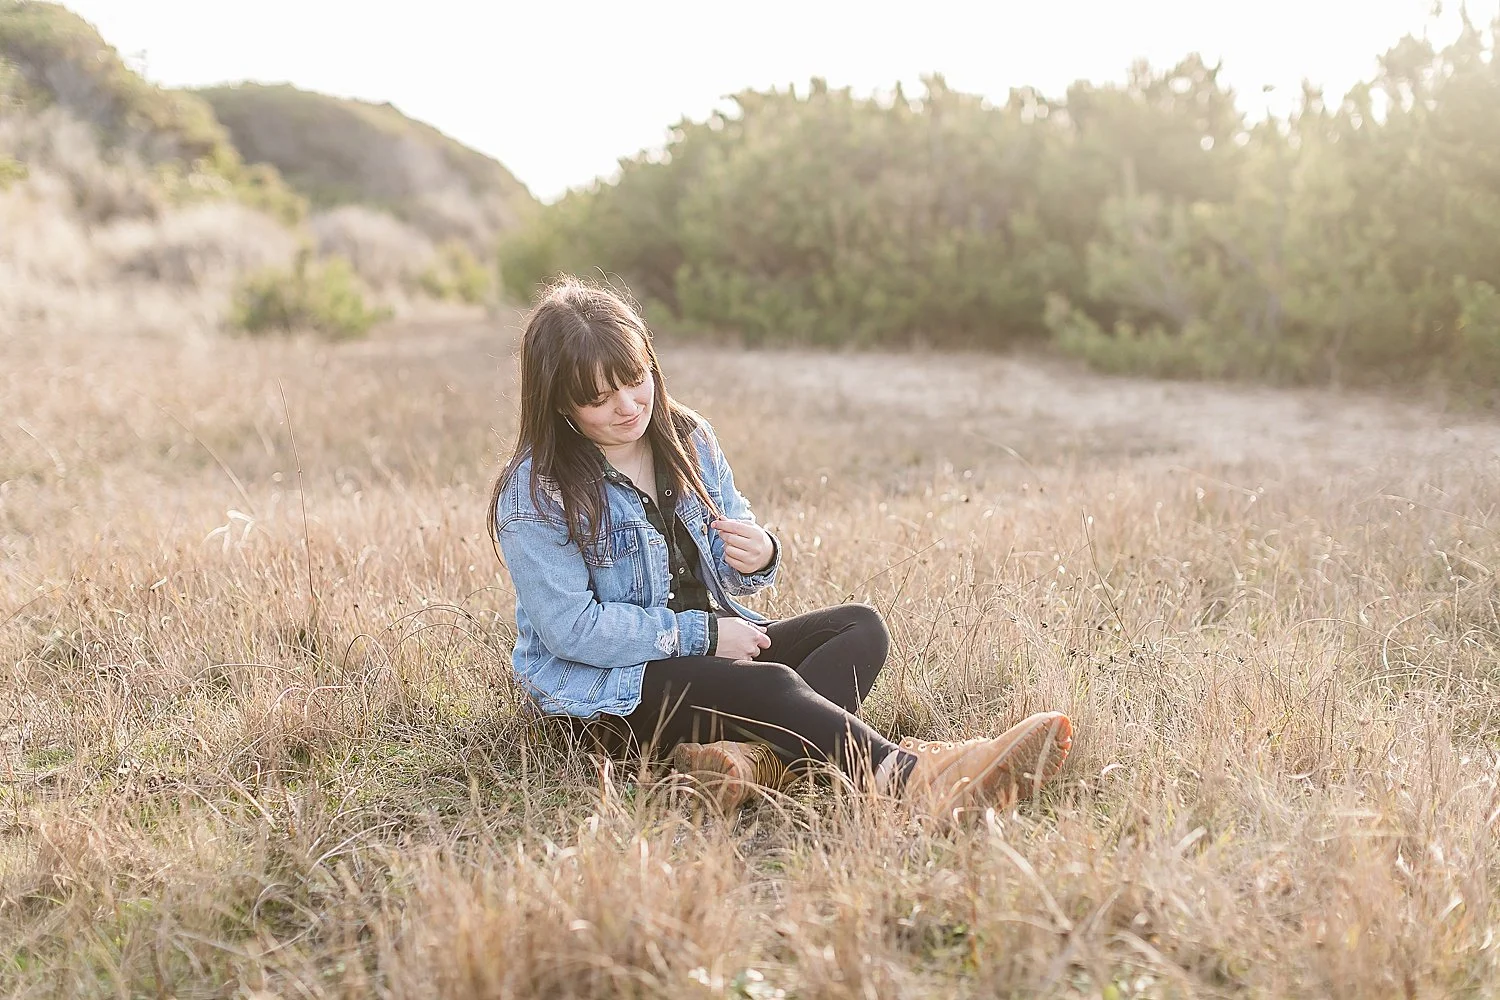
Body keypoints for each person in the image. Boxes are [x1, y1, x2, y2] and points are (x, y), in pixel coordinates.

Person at [488, 277, 1073, 817]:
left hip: (714, 661)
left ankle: (748, 761)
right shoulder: (535, 492)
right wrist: (708, 635)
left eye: (635, 380)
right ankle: (912, 781)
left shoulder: (686, 436)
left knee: (859, 629)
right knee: (768, 687)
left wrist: (761, 552)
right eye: (599, 397)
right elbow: (572, 629)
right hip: (606, 698)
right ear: (559, 403)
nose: (628, 406)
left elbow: (737, 559)